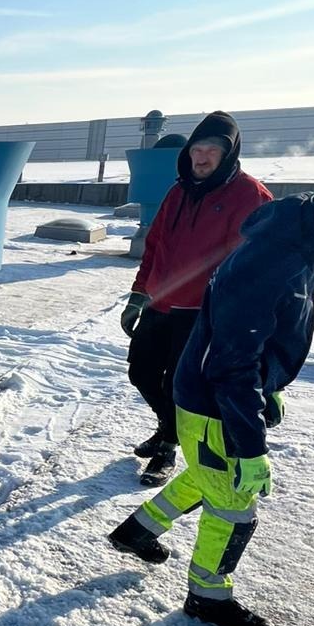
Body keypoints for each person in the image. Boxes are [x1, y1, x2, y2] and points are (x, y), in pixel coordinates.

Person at [108, 168, 314, 626]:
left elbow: (256, 340)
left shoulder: (307, 244)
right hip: (214, 401)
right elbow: (230, 363)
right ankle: (207, 597)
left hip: (219, 395)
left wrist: (268, 384)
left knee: (211, 474)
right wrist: (250, 442)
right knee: (235, 504)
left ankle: (137, 531)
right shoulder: (277, 258)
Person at [121, 112, 271, 484]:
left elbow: (254, 266)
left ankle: (169, 446)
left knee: (181, 384)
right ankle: (166, 427)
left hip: (203, 312)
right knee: (140, 371)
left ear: (229, 154)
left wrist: (235, 320)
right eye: (196, 150)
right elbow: (155, 245)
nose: (201, 159)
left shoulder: (249, 195)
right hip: (161, 303)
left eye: (211, 152)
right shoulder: (179, 190)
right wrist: (138, 294)